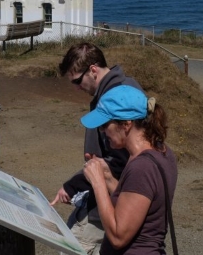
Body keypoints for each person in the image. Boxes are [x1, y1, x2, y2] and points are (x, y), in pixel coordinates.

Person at [50, 42, 143, 255]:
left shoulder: (114, 96)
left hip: (112, 196)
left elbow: (119, 159)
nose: (76, 88)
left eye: (77, 81)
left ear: (93, 70)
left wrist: (74, 185)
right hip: (103, 191)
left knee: (74, 246)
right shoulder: (125, 86)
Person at [81, 85, 178, 254]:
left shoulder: (142, 167)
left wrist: (98, 183)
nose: (102, 131)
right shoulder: (162, 152)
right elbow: (138, 200)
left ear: (126, 124)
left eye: (104, 125)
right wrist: (109, 179)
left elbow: (119, 236)